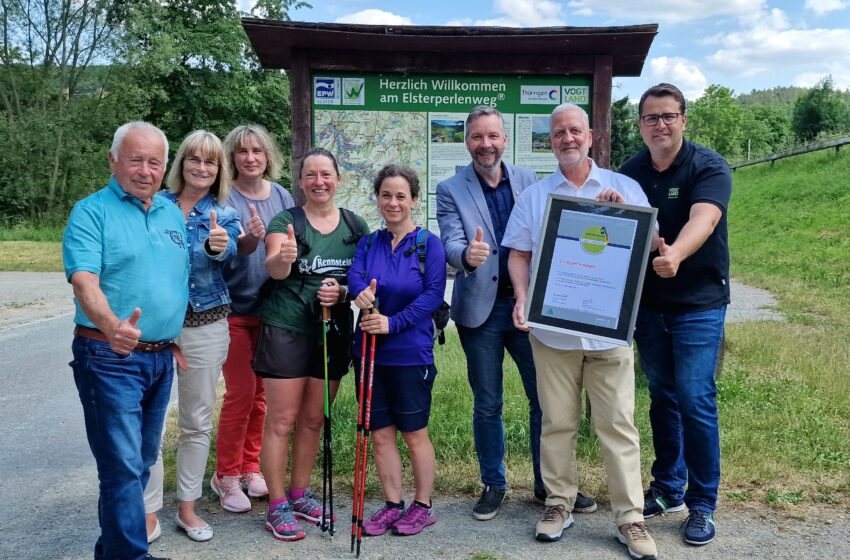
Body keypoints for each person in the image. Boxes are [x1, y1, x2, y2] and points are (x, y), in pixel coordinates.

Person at [503, 104, 658, 560]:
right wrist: (521, 296)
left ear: (590, 135)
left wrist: (624, 213)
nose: (567, 138)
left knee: (618, 426)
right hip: (553, 334)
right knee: (558, 423)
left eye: (574, 130)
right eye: (558, 133)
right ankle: (558, 504)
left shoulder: (624, 187)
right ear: (549, 141)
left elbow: (649, 243)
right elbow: (518, 254)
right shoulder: (536, 196)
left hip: (608, 335)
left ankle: (630, 518)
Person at [436, 106, 596, 520]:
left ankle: (551, 485)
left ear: (505, 140)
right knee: (488, 402)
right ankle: (495, 483)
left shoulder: (532, 182)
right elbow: (451, 241)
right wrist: (466, 257)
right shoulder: (451, 188)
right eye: (476, 137)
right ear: (467, 141)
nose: (485, 144)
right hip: (481, 313)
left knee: (545, 400)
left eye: (492, 136)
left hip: (531, 308)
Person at [63, 121, 188, 560]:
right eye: (135, 159)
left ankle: (113, 551)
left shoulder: (173, 213)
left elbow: (171, 279)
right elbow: (83, 280)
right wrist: (112, 324)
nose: (145, 170)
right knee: (120, 467)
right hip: (108, 354)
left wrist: (170, 334)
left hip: (159, 358)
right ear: (113, 160)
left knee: (139, 462)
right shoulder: (90, 211)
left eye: (155, 162)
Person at [619, 83, 732, 546]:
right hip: (650, 306)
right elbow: (622, 223)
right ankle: (668, 487)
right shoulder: (631, 171)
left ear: (684, 119)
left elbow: (703, 219)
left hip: (699, 304)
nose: (660, 125)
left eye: (668, 116)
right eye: (651, 118)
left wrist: (677, 254)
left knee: (694, 397)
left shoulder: (709, 166)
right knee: (662, 396)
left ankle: (703, 503)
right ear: (641, 125)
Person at [255, 147, 368, 541]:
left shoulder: (356, 226)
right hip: (286, 328)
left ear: (337, 179)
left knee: (314, 419)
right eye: (310, 175)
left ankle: (300, 493)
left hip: (332, 332)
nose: (319, 182)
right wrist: (284, 257)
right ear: (300, 182)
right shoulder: (286, 220)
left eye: (326, 174)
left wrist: (343, 293)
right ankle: (277, 503)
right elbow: (274, 266)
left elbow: (365, 282)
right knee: (282, 420)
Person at [142, 131, 240, 543]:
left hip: (206, 324)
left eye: (211, 162)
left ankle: (187, 506)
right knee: (149, 420)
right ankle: (148, 511)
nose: (202, 168)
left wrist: (219, 246)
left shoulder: (224, 213)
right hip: (156, 326)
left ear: (220, 170)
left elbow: (229, 251)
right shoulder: (152, 206)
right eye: (194, 159)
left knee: (196, 422)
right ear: (180, 163)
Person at [349, 165, 447, 537]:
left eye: (400, 196)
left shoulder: (428, 244)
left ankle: (423, 505)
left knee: (413, 432)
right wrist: (361, 295)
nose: (393, 202)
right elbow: (356, 276)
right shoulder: (369, 243)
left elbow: (433, 295)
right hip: (370, 353)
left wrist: (392, 322)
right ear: (377, 199)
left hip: (410, 353)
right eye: (386, 195)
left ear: (414, 200)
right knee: (381, 433)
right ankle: (393, 504)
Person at [211, 125, 295, 513]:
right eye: (242, 151)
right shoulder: (222, 196)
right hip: (233, 310)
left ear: (268, 156)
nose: (250, 158)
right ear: (232, 157)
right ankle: (225, 474)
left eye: (257, 151)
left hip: (272, 311)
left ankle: (249, 466)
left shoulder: (281, 196)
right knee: (240, 394)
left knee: (262, 396)